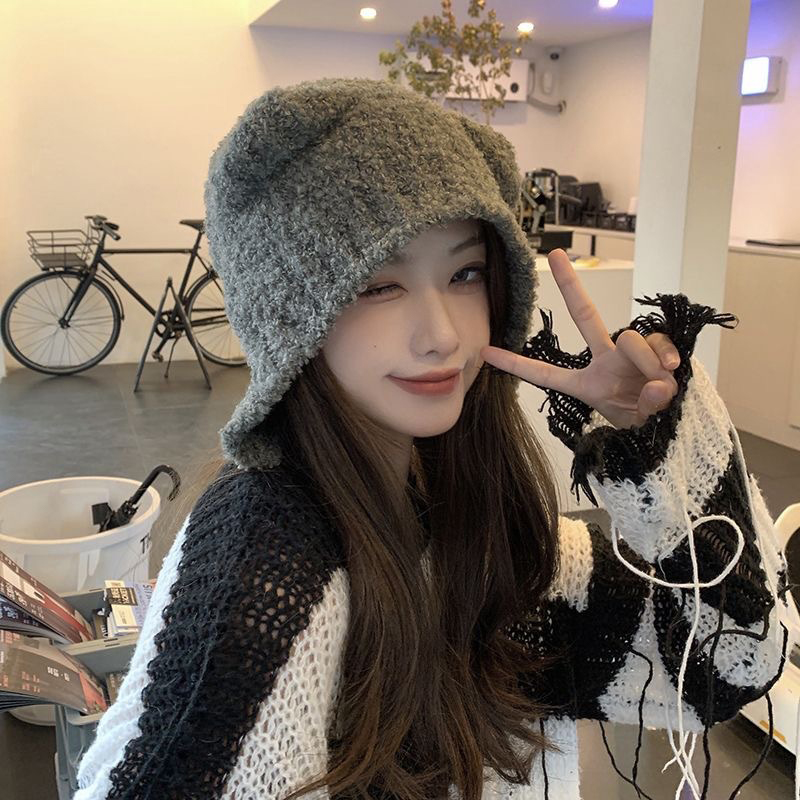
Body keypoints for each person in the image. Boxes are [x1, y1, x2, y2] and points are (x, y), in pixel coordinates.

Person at [72, 77, 795, 800]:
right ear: (292, 319)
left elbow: (727, 663)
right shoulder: (268, 556)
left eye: (465, 273)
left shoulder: (473, 527)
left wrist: (658, 442)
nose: (443, 335)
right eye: (378, 285)